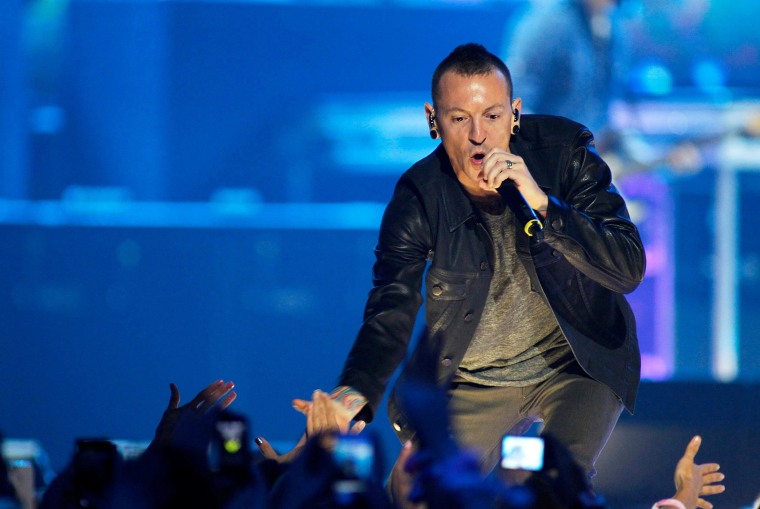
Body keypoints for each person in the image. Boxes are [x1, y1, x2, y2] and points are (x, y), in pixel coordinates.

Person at [296, 42, 645, 482]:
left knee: (555, 484)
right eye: (460, 118)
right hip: (473, 379)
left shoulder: (565, 153)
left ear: (515, 113)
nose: (478, 135)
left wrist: (544, 205)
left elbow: (628, 266)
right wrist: (353, 393)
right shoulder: (419, 197)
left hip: (576, 365)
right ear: (433, 120)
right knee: (415, 489)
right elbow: (391, 308)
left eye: (493, 116)